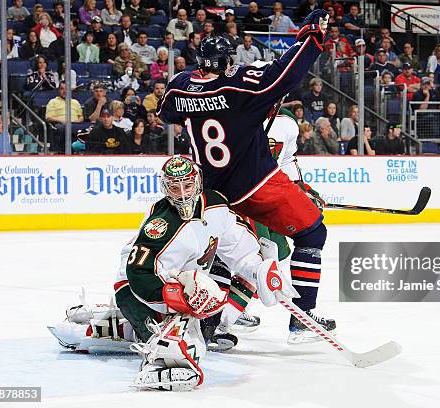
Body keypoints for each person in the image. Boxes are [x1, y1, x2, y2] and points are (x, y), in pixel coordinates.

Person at [157, 11, 336, 342]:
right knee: (312, 233)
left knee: (228, 254)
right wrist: (311, 38)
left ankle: (212, 325)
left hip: (210, 191)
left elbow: (166, 110)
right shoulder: (241, 87)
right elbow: (287, 75)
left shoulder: (181, 88)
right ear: (227, 60)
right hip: (256, 187)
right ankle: (303, 318)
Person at [108, 156, 295, 390]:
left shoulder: (215, 207)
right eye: (175, 188)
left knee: (201, 318)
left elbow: (240, 250)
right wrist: (172, 297)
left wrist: (261, 271)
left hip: (185, 281)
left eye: (187, 185)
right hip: (136, 289)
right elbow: (138, 272)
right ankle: (141, 337)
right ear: (166, 188)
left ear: (197, 182)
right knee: (171, 342)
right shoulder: (162, 224)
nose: (183, 194)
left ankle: (123, 327)